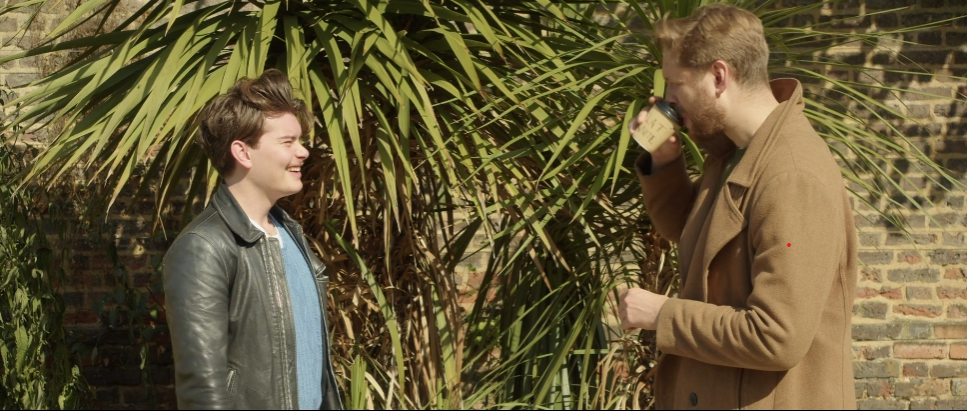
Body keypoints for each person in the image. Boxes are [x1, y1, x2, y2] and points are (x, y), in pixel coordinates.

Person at [619, 4, 857, 409]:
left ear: (718, 76)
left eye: (675, 82)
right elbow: (691, 232)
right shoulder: (736, 153)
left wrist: (663, 315)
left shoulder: (791, 177)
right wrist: (665, 160)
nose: (667, 99)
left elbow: (777, 335)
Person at [163, 69, 344, 409]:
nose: (304, 152)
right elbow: (203, 392)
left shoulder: (290, 235)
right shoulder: (203, 248)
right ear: (243, 152)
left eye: (300, 140)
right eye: (288, 142)